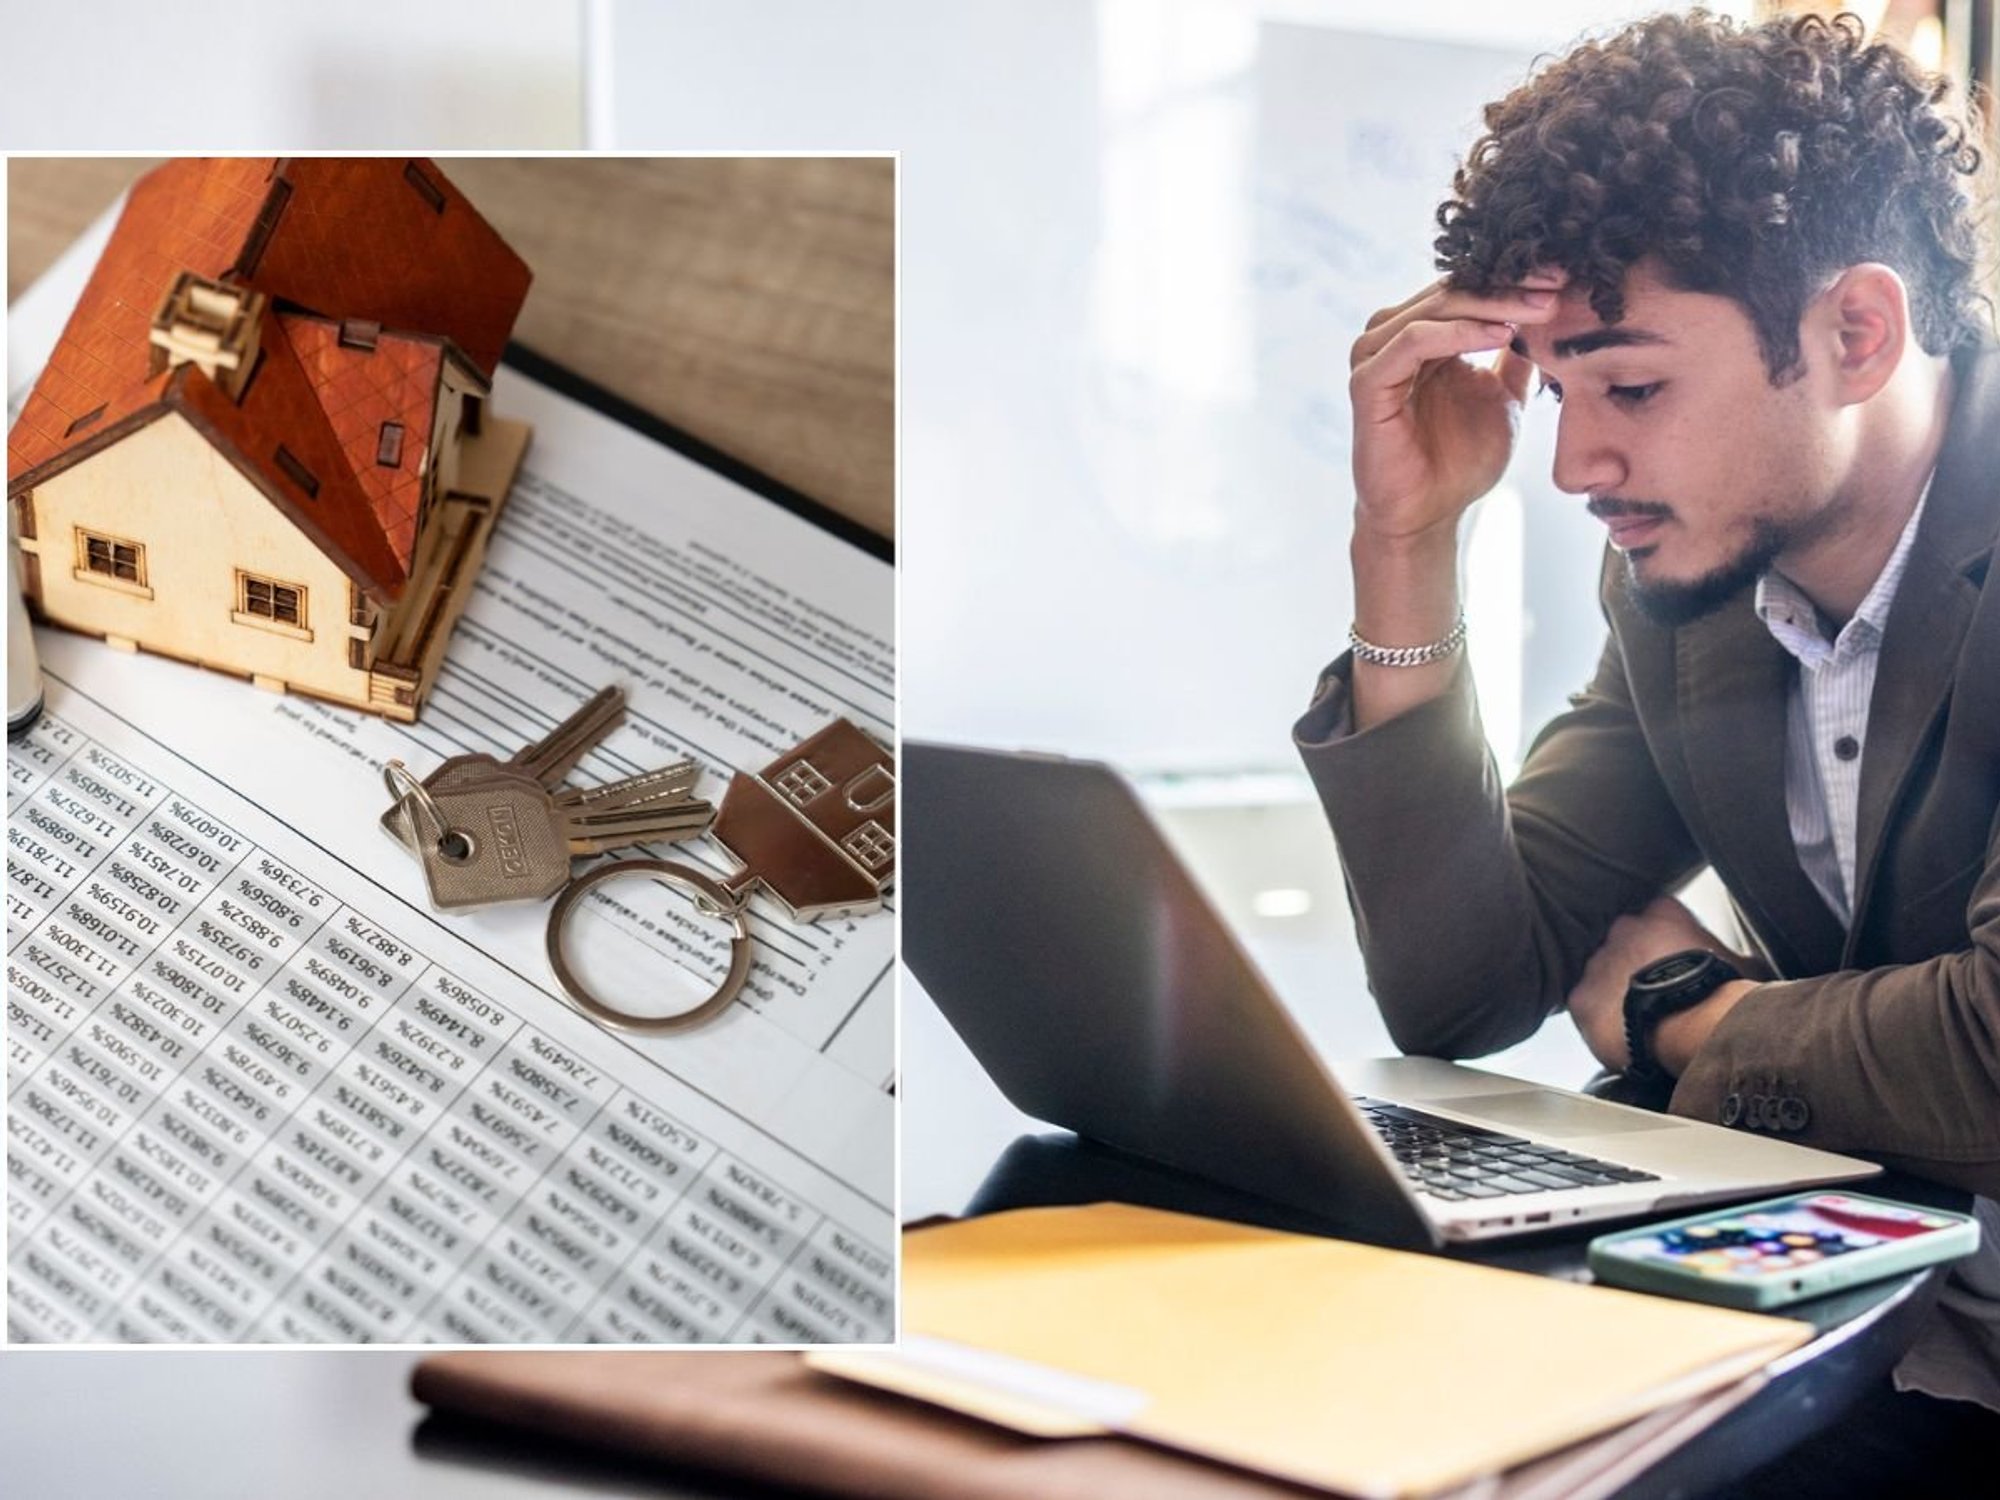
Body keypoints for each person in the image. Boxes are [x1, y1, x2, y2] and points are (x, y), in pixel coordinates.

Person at [1293, 10, 1997, 1491]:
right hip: (1870, 1332)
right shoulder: (1696, 591)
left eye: (1630, 387)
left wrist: (1685, 1019)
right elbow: (1464, 985)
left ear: (1856, 335)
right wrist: (1405, 543)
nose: (1573, 466)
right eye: (1555, 388)